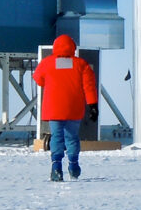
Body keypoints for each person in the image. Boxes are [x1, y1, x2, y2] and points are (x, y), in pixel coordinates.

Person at [32, 34, 99, 181]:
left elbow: (38, 79)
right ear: (73, 47)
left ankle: (56, 167)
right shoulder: (81, 64)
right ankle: (74, 165)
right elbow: (89, 87)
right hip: (74, 108)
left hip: (54, 108)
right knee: (72, 138)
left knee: (57, 137)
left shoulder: (47, 63)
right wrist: (93, 106)